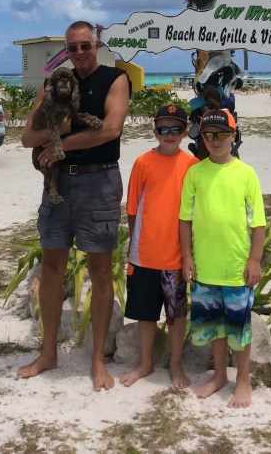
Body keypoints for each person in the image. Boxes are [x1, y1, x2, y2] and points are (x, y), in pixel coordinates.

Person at [18, 21, 130, 390]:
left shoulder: (115, 78)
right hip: (59, 183)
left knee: (99, 269)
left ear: (95, 45)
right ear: (66, 51)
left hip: (99, 181)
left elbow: (111, 129)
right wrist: (61, 133)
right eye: (72, 48)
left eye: (85, 46)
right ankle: (49, 352)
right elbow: (27, 137)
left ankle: (98, 360)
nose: (79, 53)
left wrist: (60, 144)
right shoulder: (51, 85)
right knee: (51, 266)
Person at [179, 109, 266, 409]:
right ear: (202, 138)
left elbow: (258, 223)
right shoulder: (195, 173)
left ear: (234, 134)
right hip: (205, 268)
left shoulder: (246, 173)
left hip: (236, 269)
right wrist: (187, 258)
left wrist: (255, 259)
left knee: (239, 330)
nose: (215, 141)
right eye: (209, 135)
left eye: (222, 134)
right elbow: (185, 220)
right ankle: (219, 376)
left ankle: (243, 380)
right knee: (215, 327)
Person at [119, 104, 198, 389]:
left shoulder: (192, 166)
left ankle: (175, 364)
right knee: (146, 314)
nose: (169, 134)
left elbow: (193, 212)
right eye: (163, 129)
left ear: (184, 132)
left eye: (175, 129)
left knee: (176, 316)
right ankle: (146, 363)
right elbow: (132, 208)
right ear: (155, 131)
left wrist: (189, 256)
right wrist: (136, 247)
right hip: (144, 256)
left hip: (176, 258)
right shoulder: (142, 163)